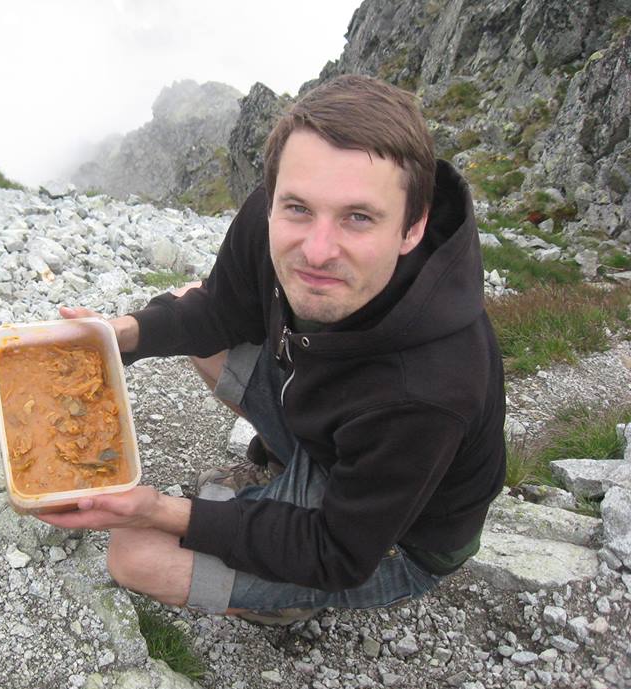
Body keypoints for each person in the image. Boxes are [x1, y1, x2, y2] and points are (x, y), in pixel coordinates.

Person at [40, 74, 506, 623]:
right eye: (298, 208)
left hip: (395, 538)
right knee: (189, 308)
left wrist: (161, 511)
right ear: (275, 197)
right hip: (332, 435)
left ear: (412, 227)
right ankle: (292, 475)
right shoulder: (275, 211)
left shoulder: (430, 385)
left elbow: (336, 551)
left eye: (358, 217)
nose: (317, 250)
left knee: (136, 555)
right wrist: (118, 335)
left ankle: (283, 600)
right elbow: (218, 309)